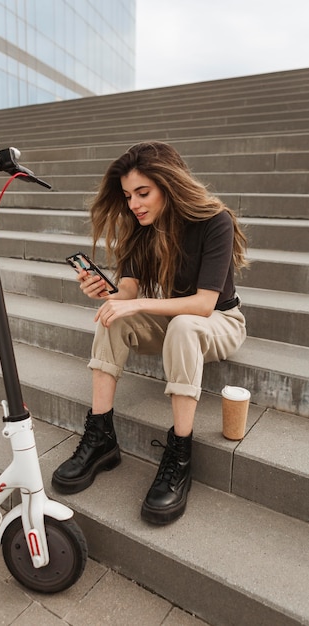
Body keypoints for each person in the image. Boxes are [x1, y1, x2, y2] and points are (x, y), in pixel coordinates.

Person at [52, 141, 247, 524]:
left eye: (143, 193)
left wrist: (138, 303)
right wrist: (108, 292)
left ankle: (179, 454)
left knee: (185, 324)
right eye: (127, 196)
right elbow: (127, 291)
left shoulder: (214, 221)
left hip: (220, 322)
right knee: (114, 315)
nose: (134, 204)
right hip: (178, 321)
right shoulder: (140, 228)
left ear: (168, 186)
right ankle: (101, 436)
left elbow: (203, 304)